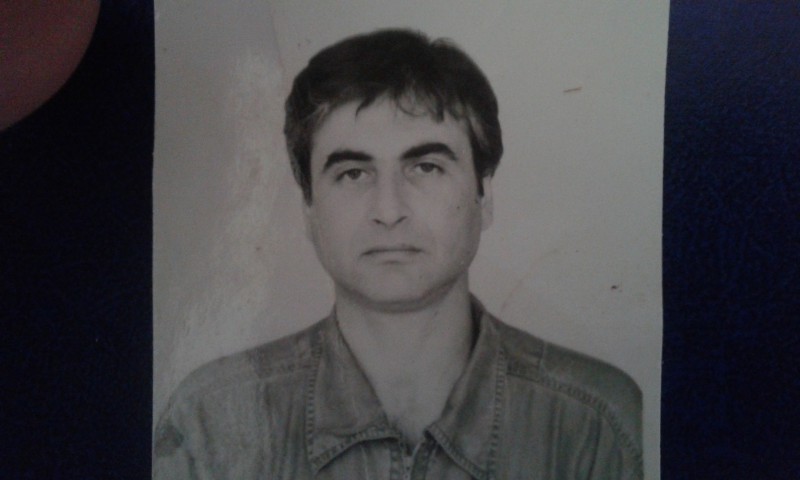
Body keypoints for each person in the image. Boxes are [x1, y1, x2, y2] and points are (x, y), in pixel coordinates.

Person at [153, 29, 643, 479]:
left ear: (484, 196)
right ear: (308, 210)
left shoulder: (593, 422)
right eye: (353, 173)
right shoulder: (210, 423)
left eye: (425, 167)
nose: (388, 211)